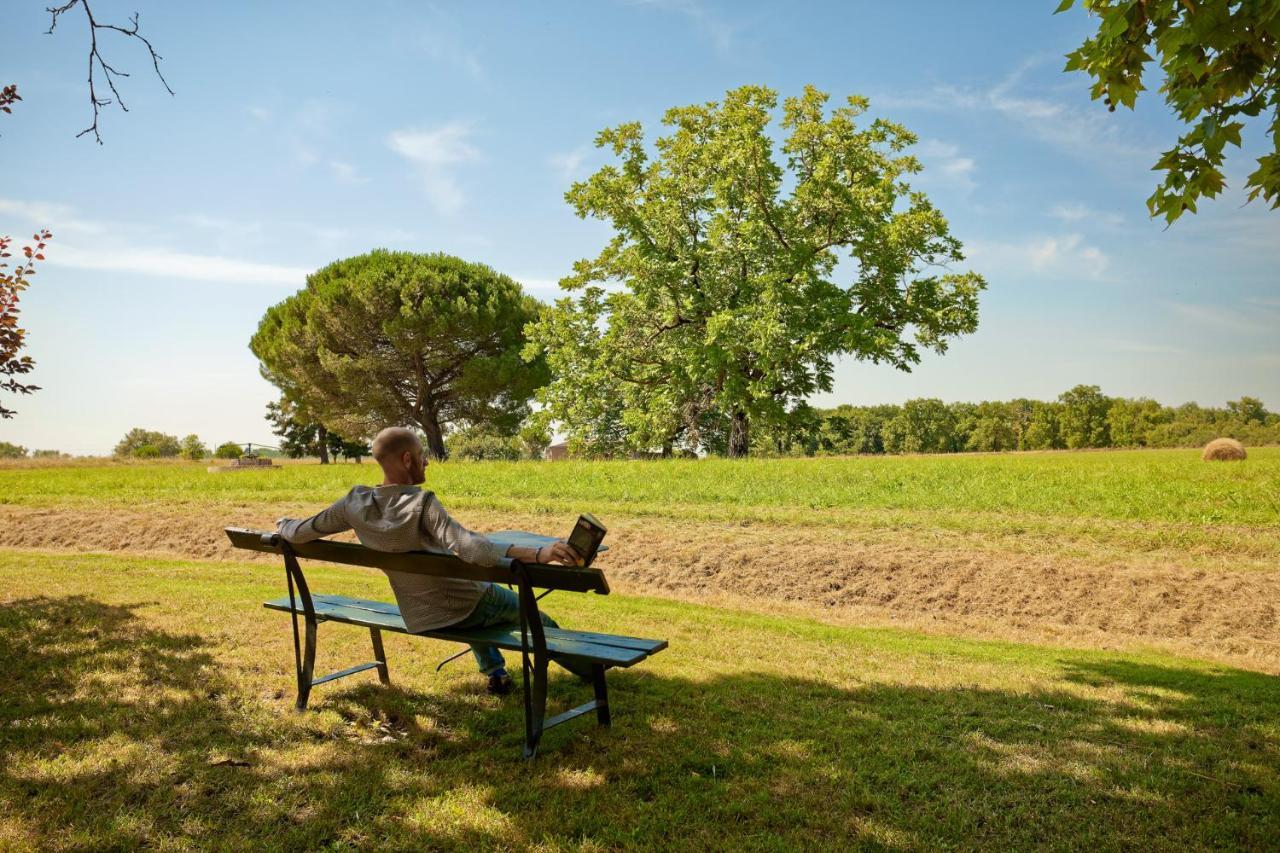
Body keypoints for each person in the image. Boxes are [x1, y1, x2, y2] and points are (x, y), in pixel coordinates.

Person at [275, 426, 587, 695]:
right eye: (422, 454)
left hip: (420, 614)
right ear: (407, 459)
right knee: (534, 618)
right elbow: (473, 550)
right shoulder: (421, 503)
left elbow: (301, 531)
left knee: (473, 591)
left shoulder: (354, 504)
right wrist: (538, 553)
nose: (426, 461)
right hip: (463, 605)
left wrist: (282, 524)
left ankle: (496, 673)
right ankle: (592, 672)